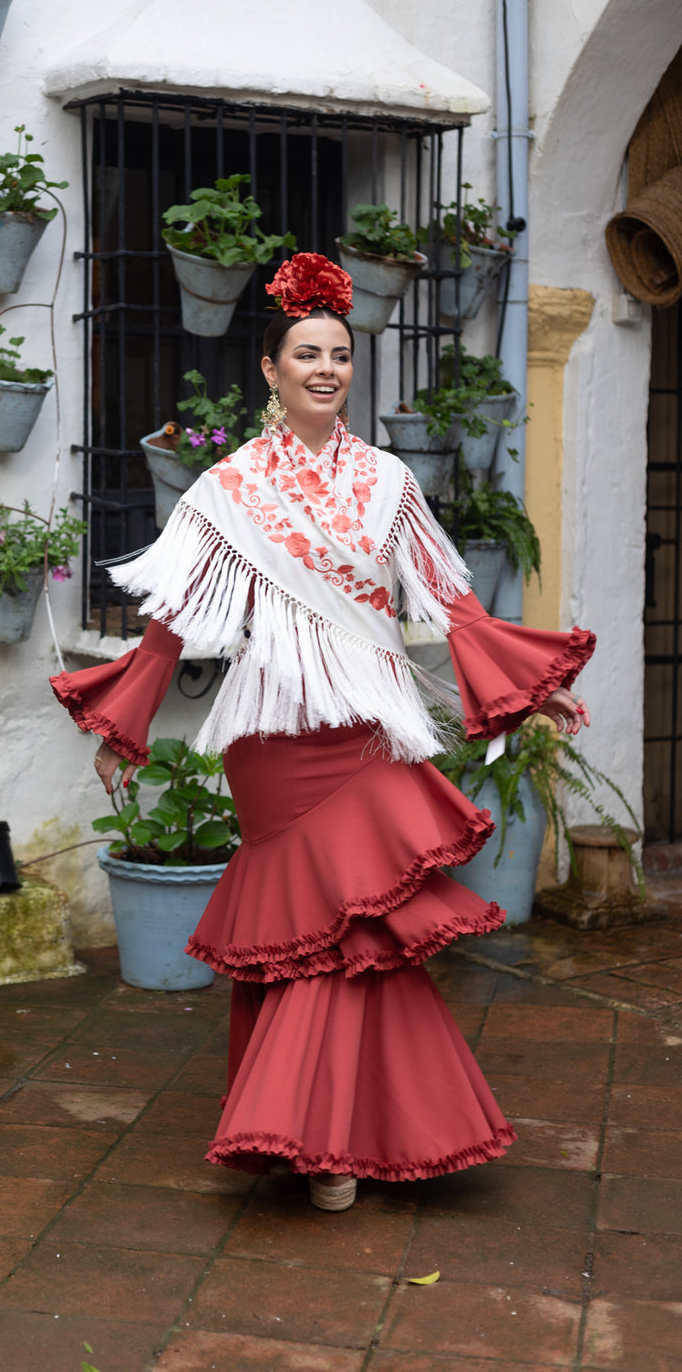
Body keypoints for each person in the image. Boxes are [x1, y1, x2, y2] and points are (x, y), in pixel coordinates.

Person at [50, 252, 593, 1212]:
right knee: (309, 935)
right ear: (271, 368)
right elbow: (171, 622)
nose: (327, 368)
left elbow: (452, 603)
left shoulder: (388, 480)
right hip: (276, 739)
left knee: (360, 930)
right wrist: (120, 726)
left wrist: (526, 690)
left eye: (340, 354)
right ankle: (318, 1139)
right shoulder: (229, 487)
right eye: (307, 353)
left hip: (371, 730)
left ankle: (351, 1131)